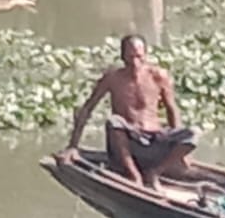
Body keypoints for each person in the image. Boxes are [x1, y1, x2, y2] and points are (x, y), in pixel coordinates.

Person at [59, 34, 195, 190]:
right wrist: (72, 146)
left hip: (154, 138)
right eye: (131, 57)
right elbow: (88, 108)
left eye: (139, 57)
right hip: (128, 139)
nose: (135, 63)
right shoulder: (113, 78)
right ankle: (134, 174)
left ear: (146, 55)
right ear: (123, 57)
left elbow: (172, 109)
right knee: (114, 122)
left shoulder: (158, 76)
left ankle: (155, 173)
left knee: (192, 134)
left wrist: (178, 149)